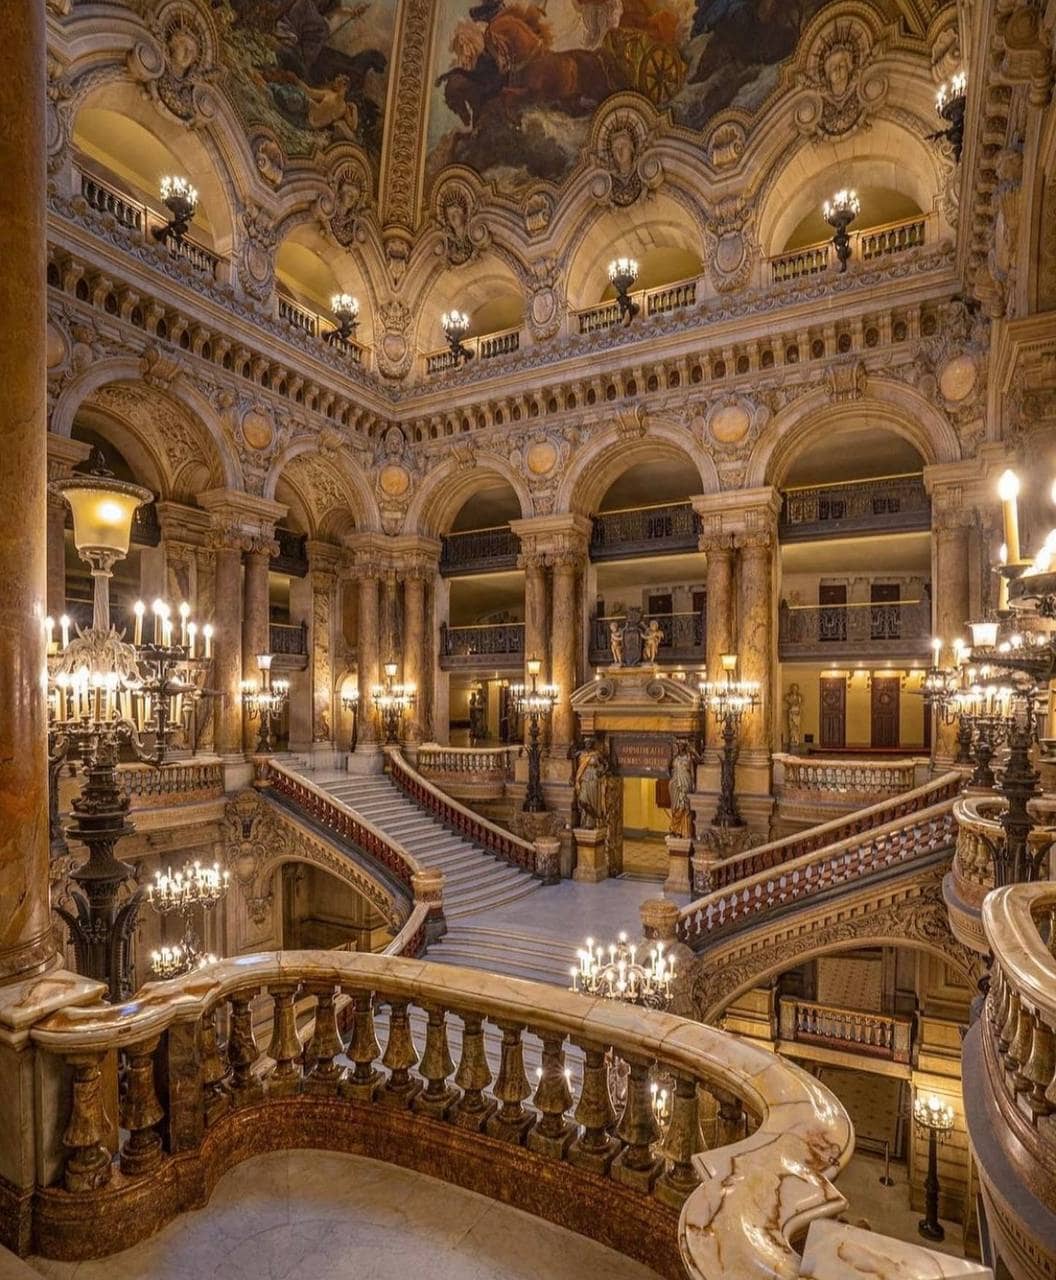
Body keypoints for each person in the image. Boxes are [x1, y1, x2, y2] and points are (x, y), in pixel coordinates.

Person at [574, 737, 607, 829]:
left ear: (592, 743)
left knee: (592, 801)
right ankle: (584, 821)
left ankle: (591, 823)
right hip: (583, 778)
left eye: (589, 742)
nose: (587, 744)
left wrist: (602, 772)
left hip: (593, 779)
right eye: (586, 742)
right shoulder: (581, 753)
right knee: (582, 799)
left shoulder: (596, 754)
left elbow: (606, 764)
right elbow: (570, 756)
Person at [668, 739, 696, 838]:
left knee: (684, 807)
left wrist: (693, 785)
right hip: (675, 785)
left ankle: (682, 830)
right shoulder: (675, 759)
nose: (680, 747)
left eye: (682, 745)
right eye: (678, 745)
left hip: (685, 784)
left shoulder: (689, 758)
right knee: (676, 807)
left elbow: (692, 772)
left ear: (684, 746)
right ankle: (675, 830)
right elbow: (668, 768)